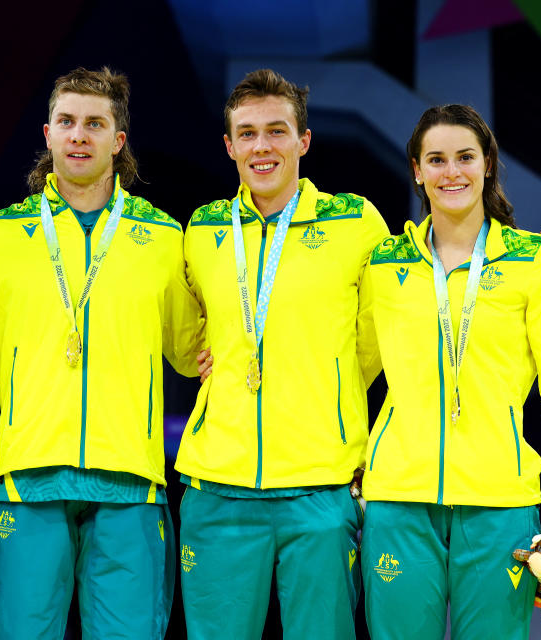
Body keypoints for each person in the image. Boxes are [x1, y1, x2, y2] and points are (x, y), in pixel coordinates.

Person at [0, 67, 203, 639]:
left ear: (118, 142)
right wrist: (26, 363)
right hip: (28, 479)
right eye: (67, 122)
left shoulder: (163, 238)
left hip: (131, 486)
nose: (79, 135)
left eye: (95, 124)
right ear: (47, 134)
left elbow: (192, 352)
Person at [355, 104, 541, 639]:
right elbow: (347, 367)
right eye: (435, 159)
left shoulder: (536, 261)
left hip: (500, 510)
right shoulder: (383, 264)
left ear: (487, 163)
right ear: (417, 170)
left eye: (465, 157)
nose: (451, 172)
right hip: (398, 503)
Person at [176, 69, 389, 640]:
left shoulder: (357, 222)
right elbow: (180, 327)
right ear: (229, 146)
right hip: (217, 487)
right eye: (247, 134)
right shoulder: (203, 228)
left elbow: (392, 321)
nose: (262, 146)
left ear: (304, 141)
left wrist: (534, 251)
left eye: (276, 131)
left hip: (320, 487)